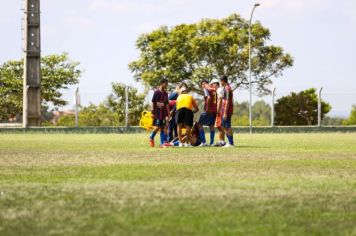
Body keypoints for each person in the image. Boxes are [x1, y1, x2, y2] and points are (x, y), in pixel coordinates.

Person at [149, 79, 170, 147]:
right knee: (157, 127)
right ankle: (151, 137)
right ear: (162, 83)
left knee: (163, 127)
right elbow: (153, 102)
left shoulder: (166, 93)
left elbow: (166, 104)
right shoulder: (156, 92)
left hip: (163, 113)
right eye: (166, 84)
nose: (166, 85)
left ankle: (162, 143)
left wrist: (169, 113)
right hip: (157, 113)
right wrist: (152, 112)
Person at [197, 79, 218, 146]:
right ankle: (212, 143)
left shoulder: (206, 89)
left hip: (209, 110)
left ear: (204, 84)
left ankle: (204, 142)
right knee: (211, 126)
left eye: (202, 84)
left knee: (199, 124)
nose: (202, 86)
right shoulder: (214, 89)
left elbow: (208, 98)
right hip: (214, 110)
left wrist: (207, 109)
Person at [220, 75, 234, 148]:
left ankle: (231, 143)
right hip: (225, 110)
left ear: (223, 81)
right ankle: (230, 142)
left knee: (227, 127)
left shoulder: (227, 88)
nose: (220, 83)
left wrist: (225, 112)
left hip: (227, 111)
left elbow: (228, 101)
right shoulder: (225, 88)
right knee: (225, 126)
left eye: (220, 81)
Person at [213, 79, 226, 147]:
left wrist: (217, 110)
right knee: (219, 127)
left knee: (220, 126)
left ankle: (222, 141)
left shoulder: (219, 90)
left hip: (220, 111)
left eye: (213, 84)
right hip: (220, 110)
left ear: (216, 84)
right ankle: (221, 141)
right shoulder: (217, 90)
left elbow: (220, 100)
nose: (212, 85)